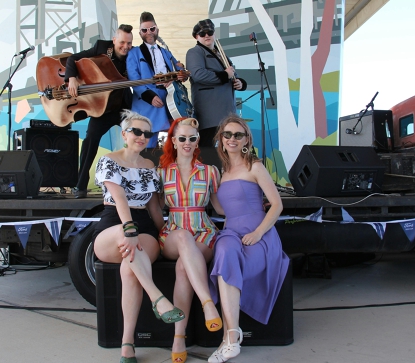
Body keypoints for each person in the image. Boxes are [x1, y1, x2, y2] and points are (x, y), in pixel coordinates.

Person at [92, 110, 185, 363]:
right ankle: (158, 298)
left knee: (129, 269)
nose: (142, 137)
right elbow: (119, 199)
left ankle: (127, 344)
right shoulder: (108, 160)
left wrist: (164, 232)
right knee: (128, 243)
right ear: (124, 134)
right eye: (136, 131)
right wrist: (129, 230)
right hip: (114, 223)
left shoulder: (150, 167)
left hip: (144, 226)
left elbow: (154, 208)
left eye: (147, 133)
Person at [207, 115, 290, 363]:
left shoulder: (255, 166)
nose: (232, 139)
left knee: (229, 256)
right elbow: (223, 211)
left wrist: (258, 233)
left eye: (238, 135)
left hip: (258, 234)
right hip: (231, 231)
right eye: (227, 134)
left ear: (246, 140)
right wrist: (210, 190)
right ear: (221, 139)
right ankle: (232, 335)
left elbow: (276, 205)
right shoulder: (222, 172)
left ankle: (229, 338)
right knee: (224, 251)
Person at [157, 117, 223, 363]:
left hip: (203, 231)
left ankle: (178, 337)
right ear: (173, 141)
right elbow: (156, 209)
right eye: (182, 138)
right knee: (183, 238)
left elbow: (220, 208)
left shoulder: (211, 172)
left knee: (184, 266)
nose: (187, 142)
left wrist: (253, 205)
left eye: (192, 138)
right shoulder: (162, 173)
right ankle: (208, 303)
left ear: (198, 142)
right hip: (174, 232)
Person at [64, 24, 134, 198]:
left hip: (122, 107)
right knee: (90, 140)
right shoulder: (101, 48)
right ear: (114, 40)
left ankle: (134, 182)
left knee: (135, 136)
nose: (126, 47)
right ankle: (80, 184)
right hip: (101, 108)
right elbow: (73, 59)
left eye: (129, 43)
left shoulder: (134, 54)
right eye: (122, 43)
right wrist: (71, 78)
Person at [126, 11, 187, 148]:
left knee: (176, 142)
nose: (149, 32)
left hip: (170, 101)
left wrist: (182, 73)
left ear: (157, 29)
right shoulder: (134, 53)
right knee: (145, 143)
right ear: (140, 33)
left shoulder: (166, 52)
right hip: (147, 104)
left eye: (152, 29)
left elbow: (178, 71)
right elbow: (134, 80)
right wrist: (149, 96)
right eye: (144, 30)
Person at [186, 19, 247, 148]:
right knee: (209, 152)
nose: (206, 35)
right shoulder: (194, 52)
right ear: (196, 37)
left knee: (227, 152)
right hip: (209, 114)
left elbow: (232, 74)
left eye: (209, 32)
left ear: (214, 34)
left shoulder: (221, 53)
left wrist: (240, 83)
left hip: (227, 113)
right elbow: (198, 74)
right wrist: (225, 75)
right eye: (202, 34)